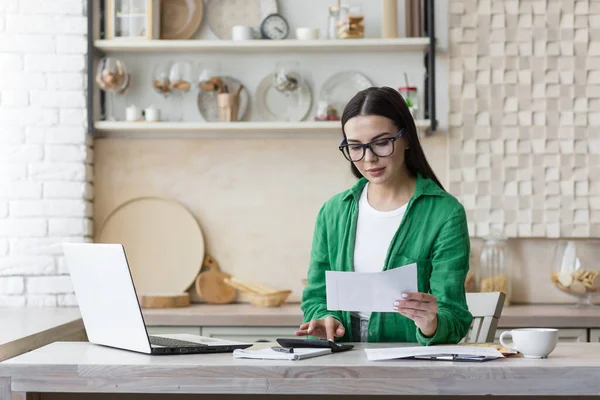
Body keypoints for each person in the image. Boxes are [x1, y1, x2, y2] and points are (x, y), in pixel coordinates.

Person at [296, 87, 472, 345]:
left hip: (413, 368)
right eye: (355, 147)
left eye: (381, 143)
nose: (369, 159)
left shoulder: (445, 213)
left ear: (407, 138)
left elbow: (454, 317)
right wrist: (324, 318)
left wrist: (431, 324)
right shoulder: (333, 212)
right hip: (342, 364)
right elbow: (316, 298)